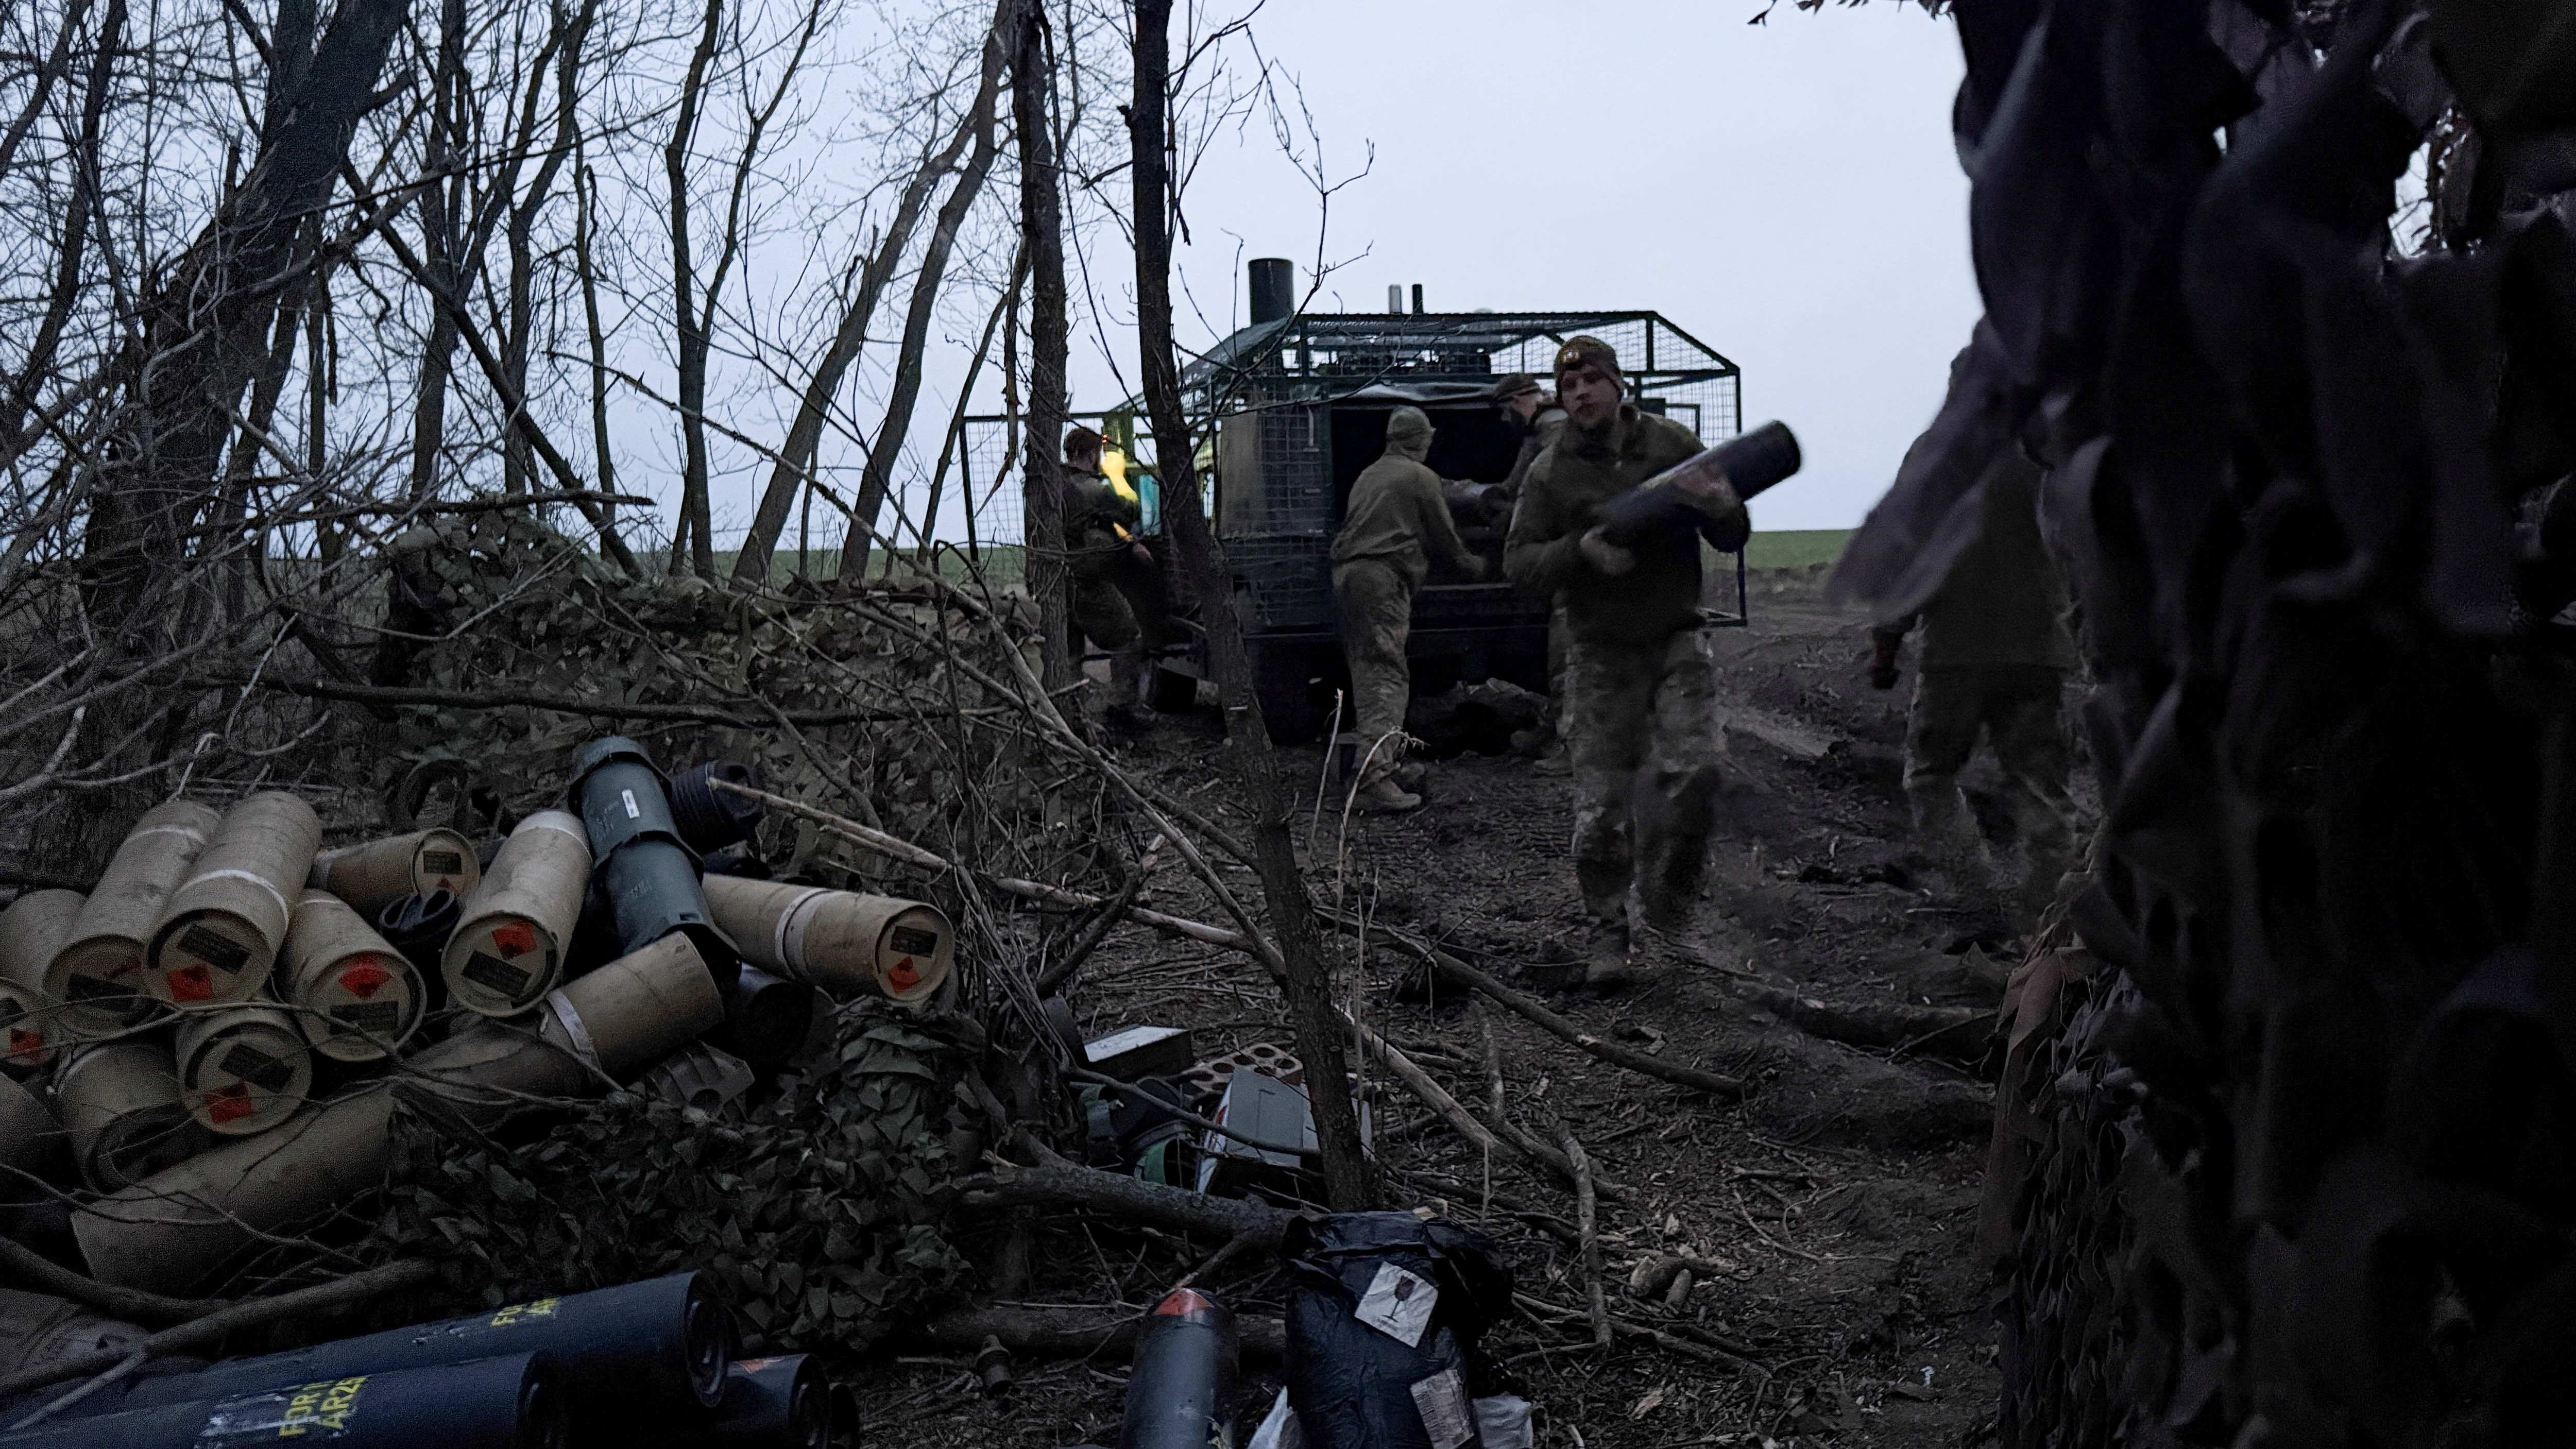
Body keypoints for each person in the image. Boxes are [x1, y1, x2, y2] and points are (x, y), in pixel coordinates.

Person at [1505, 337, 1744, 987]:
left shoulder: (1672, 446)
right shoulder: (1550, 472)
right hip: (1601, 653)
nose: (1579, 394)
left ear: (1617, 384)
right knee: (1602, 809)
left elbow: (1732, 533)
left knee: (1699, 770)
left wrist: (1722, 504)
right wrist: (1581, 550)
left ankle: (1673, 896)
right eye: (1568, 386)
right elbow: (1519, 562)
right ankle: (1609, 934)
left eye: (1590, 381)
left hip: (1676, 638)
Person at [1867, 447, 2077, 921]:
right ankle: (2052, 909)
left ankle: (1976, 893)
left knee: (1929, 778)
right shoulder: (2045, 453)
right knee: (2041, 787)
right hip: (2037, 650)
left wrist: (1887, 642)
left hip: (1955, 653)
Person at [1332, 405, 1488, 813]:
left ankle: (1383, 763)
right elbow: (1445, 537)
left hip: (1351, 577)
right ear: (1422, 438)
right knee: (1384, 677)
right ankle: (1373, 779)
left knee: (1370, 670)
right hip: (1381, 579)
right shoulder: (1418, 476)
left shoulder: (1371, 473)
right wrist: (1478, 565)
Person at [1061, 427, 1171, 728]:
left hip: (1057, 583)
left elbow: (1094, 524)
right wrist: (1118, 475)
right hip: (1087, 585)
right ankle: (1124, 710)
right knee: (1128, 639)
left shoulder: (1055, 486)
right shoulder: (1093, 489)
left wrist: (1128, 542)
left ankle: (1071, 715)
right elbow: (1131, 510)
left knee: (1071, 653)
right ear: (1092, 455)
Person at [1494, 373, 1576, 772]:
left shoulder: (1557, 433)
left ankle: (1572, 748)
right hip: (1557, 560)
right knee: (1555, 656)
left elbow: (1552, 498)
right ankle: (1554, 729)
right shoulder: (1540, 434)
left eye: (1505, 409)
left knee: (1569, 659)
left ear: (1521, 400)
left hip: (1575, 563)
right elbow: (1516, 488)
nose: (1504, 420)